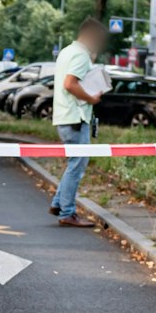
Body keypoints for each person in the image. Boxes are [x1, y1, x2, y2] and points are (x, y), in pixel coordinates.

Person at [50, 18, 109, 228]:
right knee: (77, 165)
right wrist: (91, 98)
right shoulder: (80, 55)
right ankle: (67, 212)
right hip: (76, 118)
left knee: (73, 164)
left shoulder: (67, 51)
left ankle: (58, 202)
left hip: (65, 116)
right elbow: (70, 84)